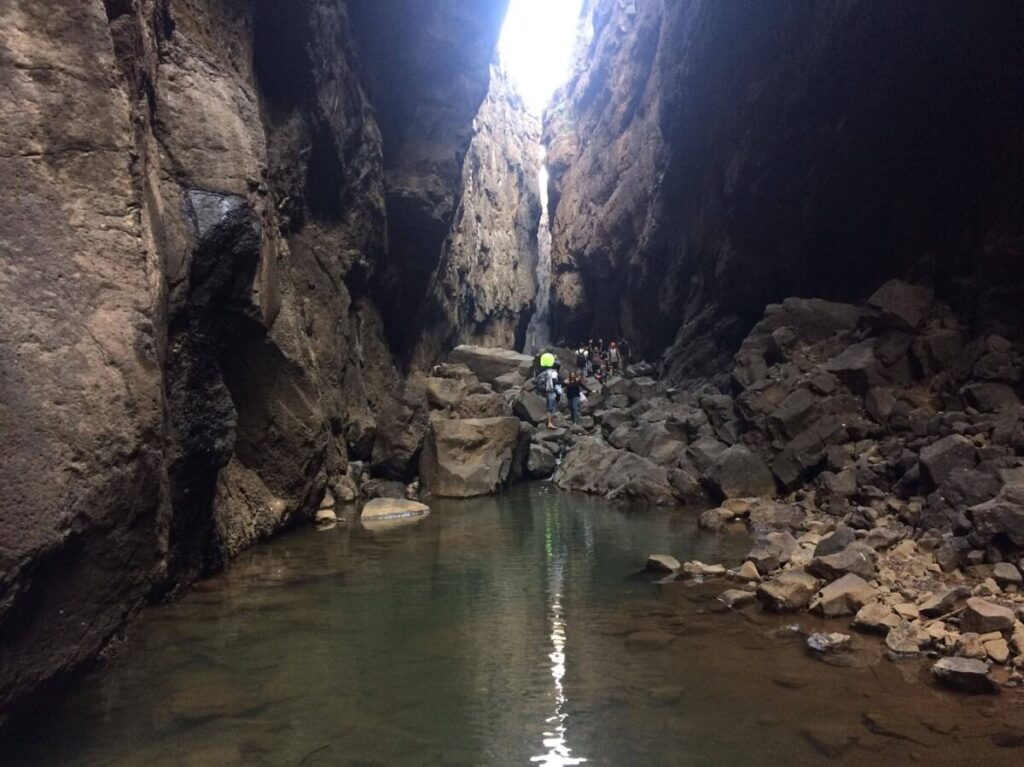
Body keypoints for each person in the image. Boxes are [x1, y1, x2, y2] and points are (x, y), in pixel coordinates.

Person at [536, 360, 563, 429]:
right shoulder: (554, 373)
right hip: (551, 391)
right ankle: (549, 423)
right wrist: (563, 382)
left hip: (547, 391)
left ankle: (549, 422)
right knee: (550, 408)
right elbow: (554, 381)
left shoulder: (547, 371)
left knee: (549, 406)